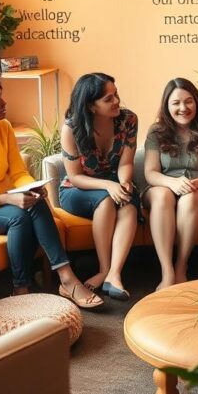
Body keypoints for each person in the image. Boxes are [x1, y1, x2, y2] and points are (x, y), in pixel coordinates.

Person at [0, 65, 102, 309]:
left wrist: (31, 187)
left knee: (33, 205)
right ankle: (44, 283)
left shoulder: (3, 128)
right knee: (18, 216)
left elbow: (18, 173)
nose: (4, 103)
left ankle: (36, 285)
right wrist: (5, 198)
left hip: (0, 202)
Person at [60, 72, 139, 300]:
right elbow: (75, 176)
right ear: (90, 105)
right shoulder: (71, 128)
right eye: (108, 99)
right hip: (77, 189)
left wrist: (124, 182)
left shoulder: (128, 120)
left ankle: (114, 274)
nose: (117, 101)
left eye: (116, 94)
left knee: (129, 206)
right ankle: (104, 269)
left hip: (114, 182)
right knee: (106, 201)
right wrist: (108, 186)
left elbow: (126, 162)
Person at [143, 78, 198, 290]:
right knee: (162, 195)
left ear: (196, 102)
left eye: (188, 101)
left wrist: (189, 185)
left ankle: (181, 267)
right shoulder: (156, 131)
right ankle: (167, 272)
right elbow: (151, 173)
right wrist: (173, 183)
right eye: (176, 103)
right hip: (163, 186)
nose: (183, 108)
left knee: (187, 200)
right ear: (166, 106)